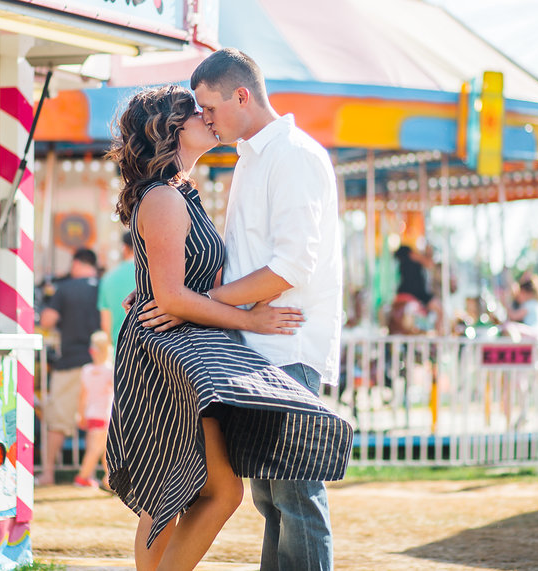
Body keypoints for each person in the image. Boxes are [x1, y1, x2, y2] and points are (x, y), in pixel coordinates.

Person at [104, 83, 352, 571]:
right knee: (182, 488)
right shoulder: (165, 197)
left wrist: (169, 292)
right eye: (194, 111)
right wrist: (246, 317)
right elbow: (174, 297)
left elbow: (183, 285)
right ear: (170, 128)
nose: (206, 117)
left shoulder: (184, 191)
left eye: (208, 107)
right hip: (169, 356)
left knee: (199, 487)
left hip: (191, 352)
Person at [38, 247, 100, 486]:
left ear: (76, 264)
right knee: (101, 422)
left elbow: (47, 320)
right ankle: (96, 474)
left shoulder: (65, 288)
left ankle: (49, 473)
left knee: (58, 420)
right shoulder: (103, 286)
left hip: (70, 362)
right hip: (99, 363)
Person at [74, 331, 114, 489]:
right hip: (105, 415)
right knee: (98, 450)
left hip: (91, 414)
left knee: (103, 449)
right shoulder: (110, 370)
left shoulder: (86, 370)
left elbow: (82, 396)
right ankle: (83, 477)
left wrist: (81, 414)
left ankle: (108, 478)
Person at [98, 231, 137, 346]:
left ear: (124, 248)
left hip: (120, 349)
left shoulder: (108, 278)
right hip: (153, 350)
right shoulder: (150, 274)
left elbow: (106, 324)